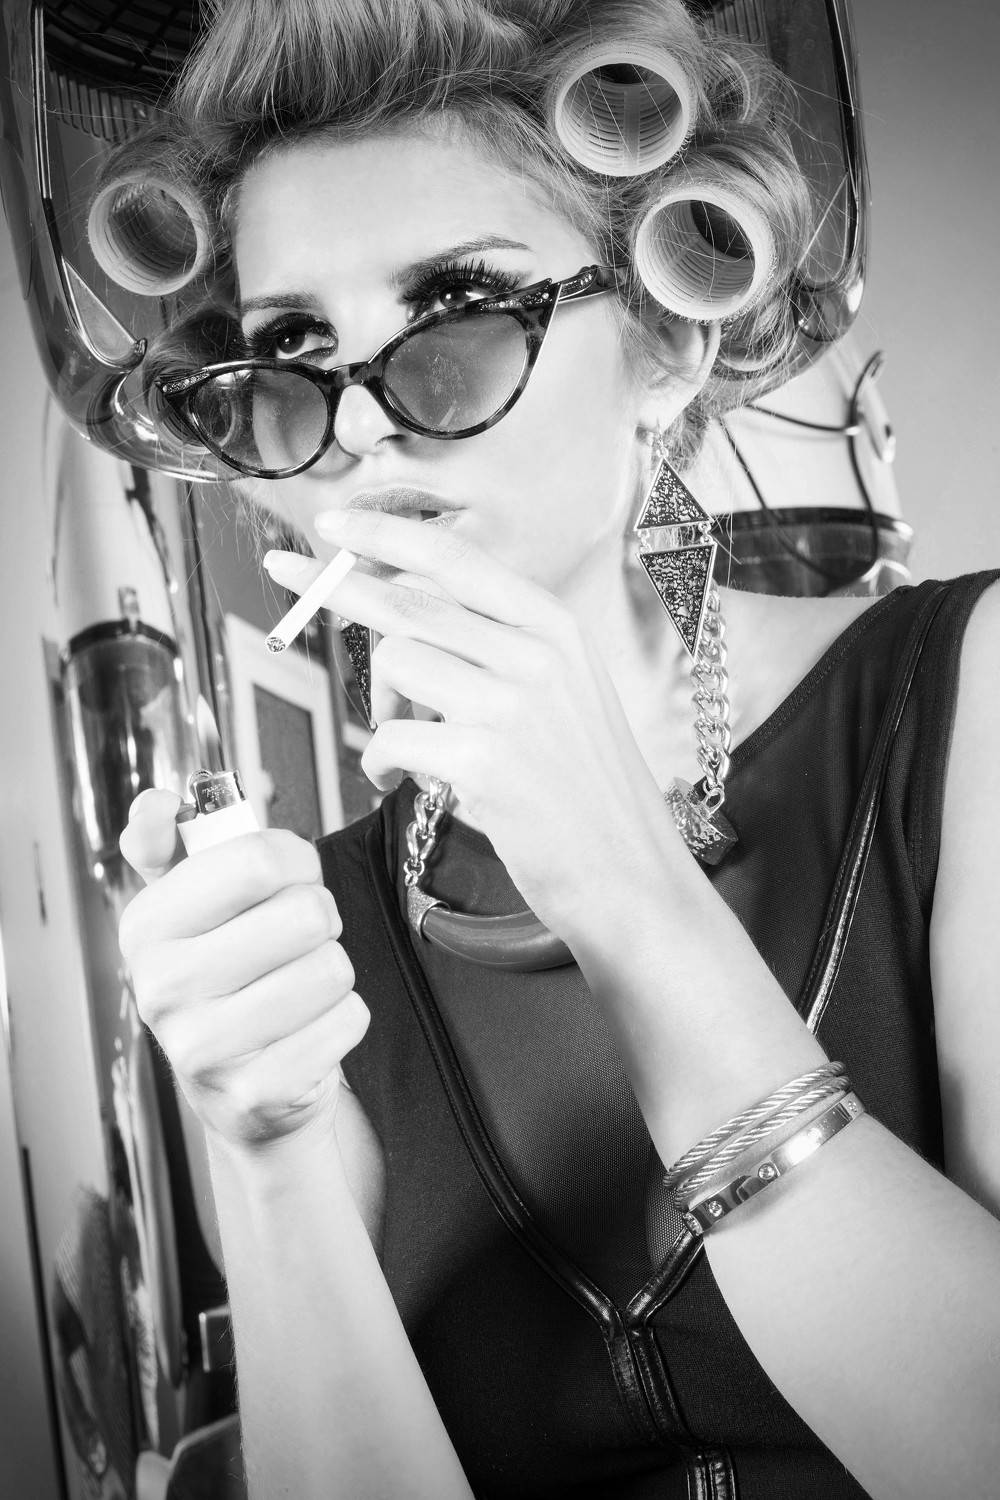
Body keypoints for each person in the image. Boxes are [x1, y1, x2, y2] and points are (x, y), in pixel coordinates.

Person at [110, 2, 1000, 1496]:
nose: (363, 432)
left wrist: (632, 897)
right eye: (294, 351)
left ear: (666, 341)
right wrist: (268, 1150)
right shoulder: (307, 934)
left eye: (461, 308)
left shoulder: (964, 698)